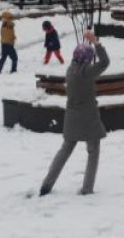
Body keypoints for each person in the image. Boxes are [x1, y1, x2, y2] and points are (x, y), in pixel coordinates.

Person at [39, 30, 109, 196]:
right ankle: (87, 189)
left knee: (64, 151)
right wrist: (96, 43)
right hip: (89, 119)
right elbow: (105, 62)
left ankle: (46, 185)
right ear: (87, 60)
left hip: (71, 118)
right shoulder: (86, 73)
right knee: (93, 152)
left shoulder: (71, 70)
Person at [0, 10, 18, 74]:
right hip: (9, 44)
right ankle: (13, 70)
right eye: (10, 18)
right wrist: (13, 38)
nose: (12, 19)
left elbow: (8, 33)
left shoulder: (3, 25)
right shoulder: (8, 24)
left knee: (3, 58)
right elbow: (11, 25)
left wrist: (13, 37)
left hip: (3, 44)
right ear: (8, 18)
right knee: (14, 58)